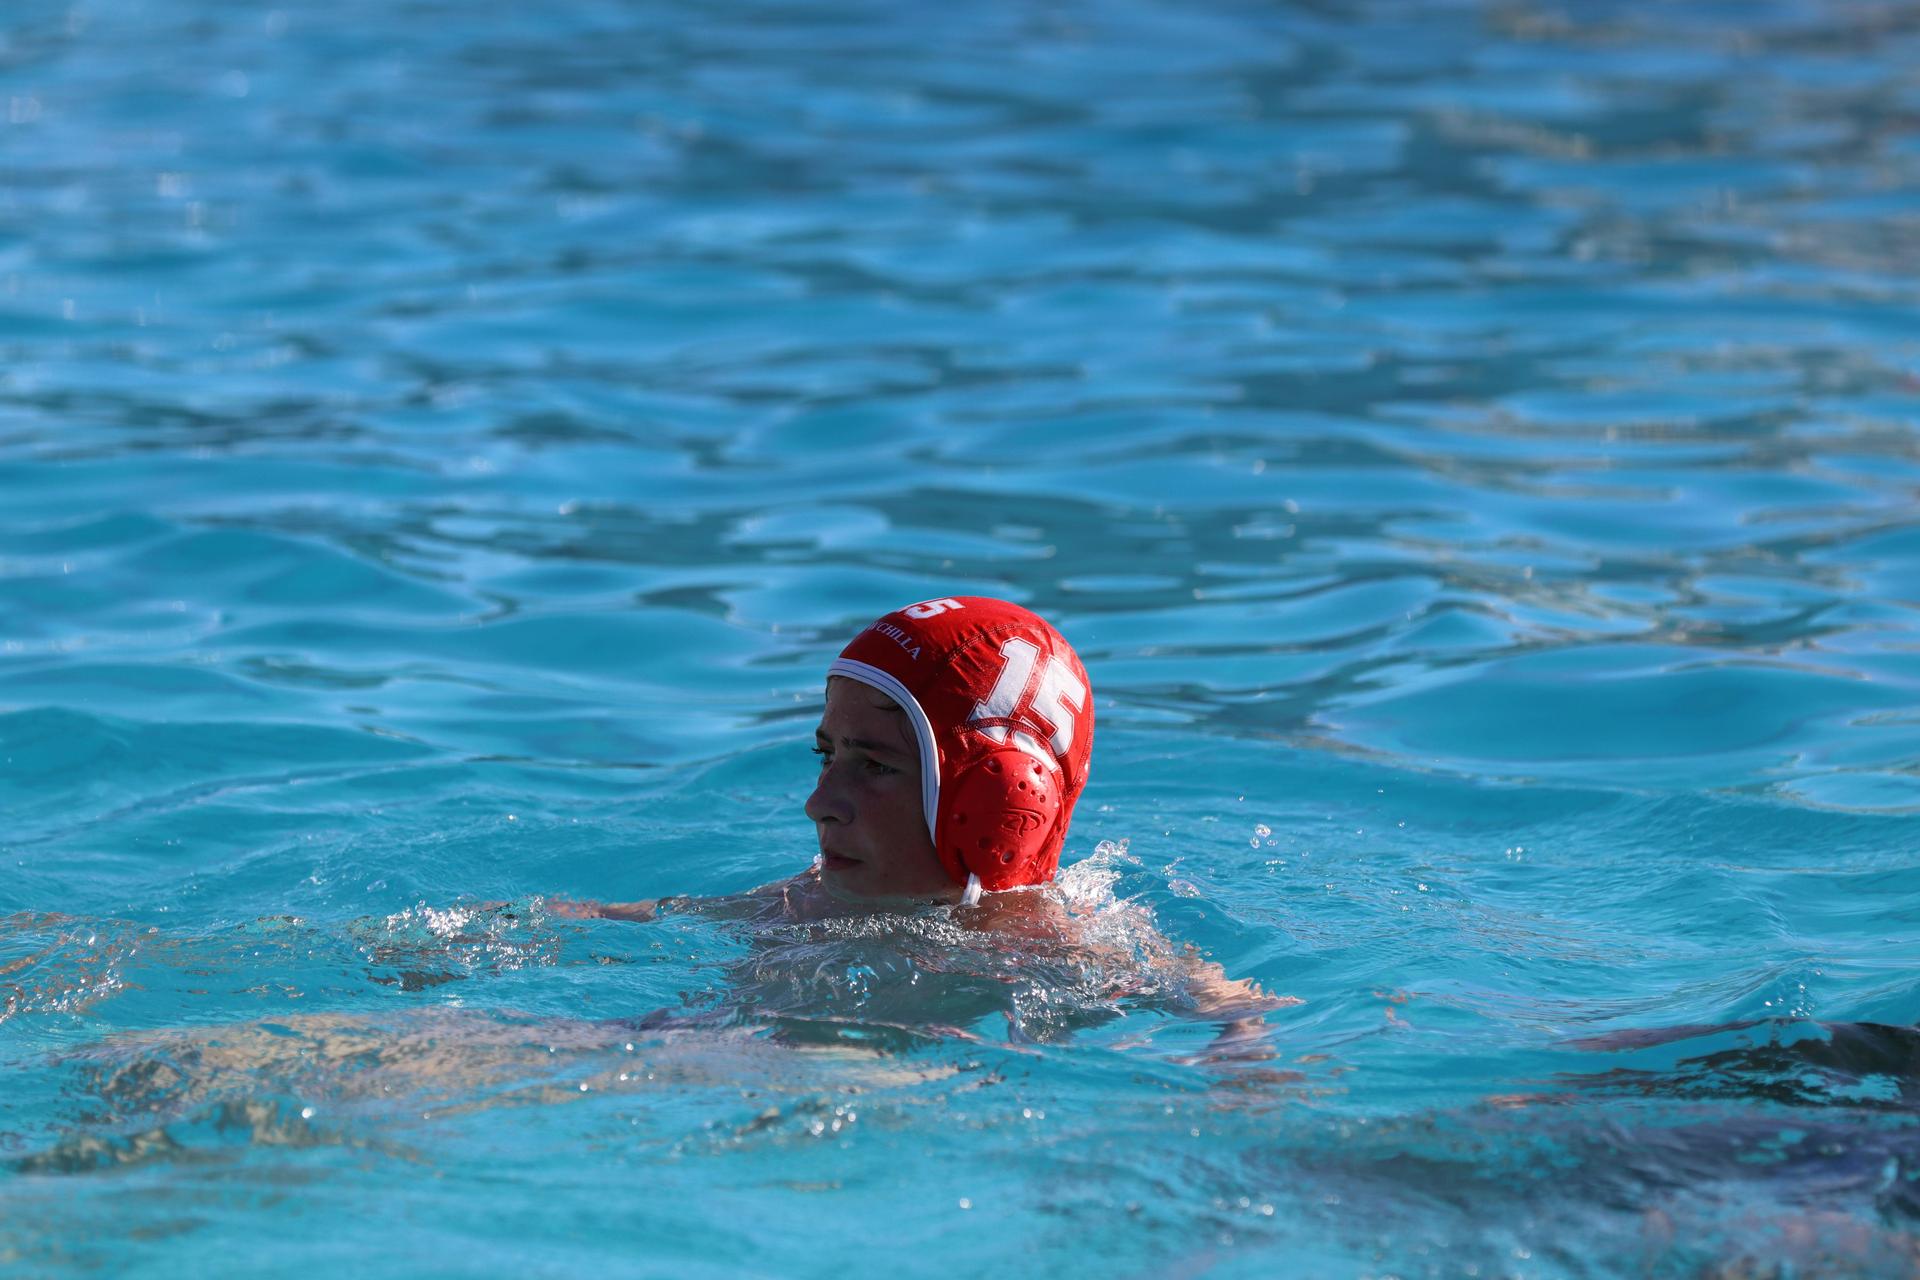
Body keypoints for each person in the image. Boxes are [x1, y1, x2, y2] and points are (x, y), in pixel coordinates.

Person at [558, 595, 1283, 1028]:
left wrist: (1244, 1066)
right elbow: (672, 916)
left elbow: (1236, 1008)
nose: (819, 805)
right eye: (826, 757)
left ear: (997, 804)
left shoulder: (1039, 944)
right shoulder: (806, 896)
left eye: (873, 766)